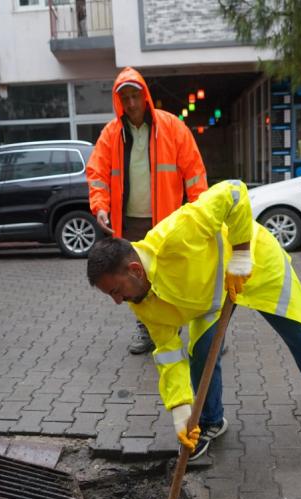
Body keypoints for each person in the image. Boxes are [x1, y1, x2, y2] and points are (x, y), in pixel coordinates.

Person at [86, 180, 301, 461]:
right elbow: (169, 354)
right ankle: (211, 421)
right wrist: (181, 410)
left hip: (256, 264)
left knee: (298, 333)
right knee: (202, 353)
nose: (117, 301)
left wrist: (241, 253)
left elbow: (234, 191)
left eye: (116, 291)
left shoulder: (177, 234)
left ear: (135, 270)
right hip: (212, 298)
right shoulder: (141, 302)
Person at [87, 67, 208, 355]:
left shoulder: (172, 127)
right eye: (125, 98)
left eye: (135, 96)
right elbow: (97, 174)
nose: (131, 104)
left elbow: (194, 172)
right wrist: (100, 206)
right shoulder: (111, 134)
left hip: (167, 222)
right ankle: (148, 329)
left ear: (145, 96)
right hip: (129, 224)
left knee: (176, 276)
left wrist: (202, 213)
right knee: (135, 280)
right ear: (118, 101)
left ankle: (200, 330)